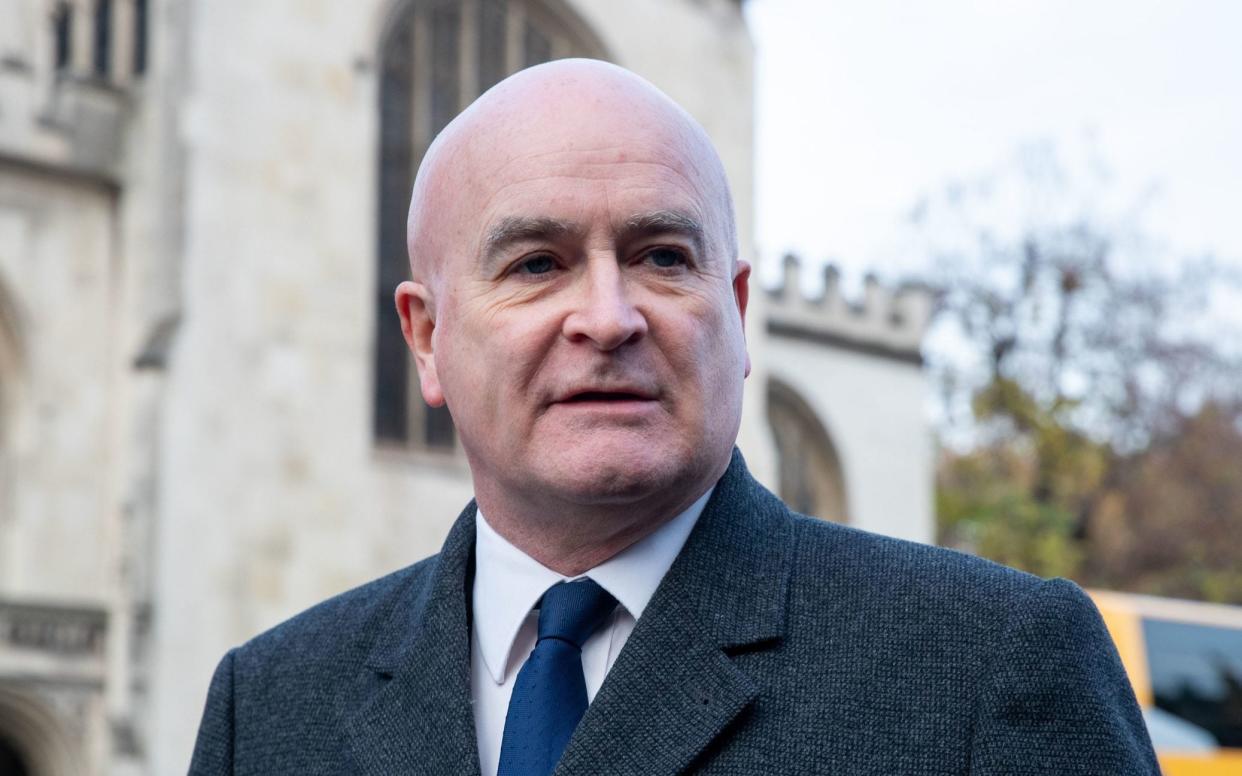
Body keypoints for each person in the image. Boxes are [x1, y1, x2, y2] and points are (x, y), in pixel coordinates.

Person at [189, 59, 1158, 775]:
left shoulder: (989, 664)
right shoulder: (269, 706)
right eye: (536, 264)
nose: (609, 317)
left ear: (737, 312)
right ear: (428, 336)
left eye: (660, 255)